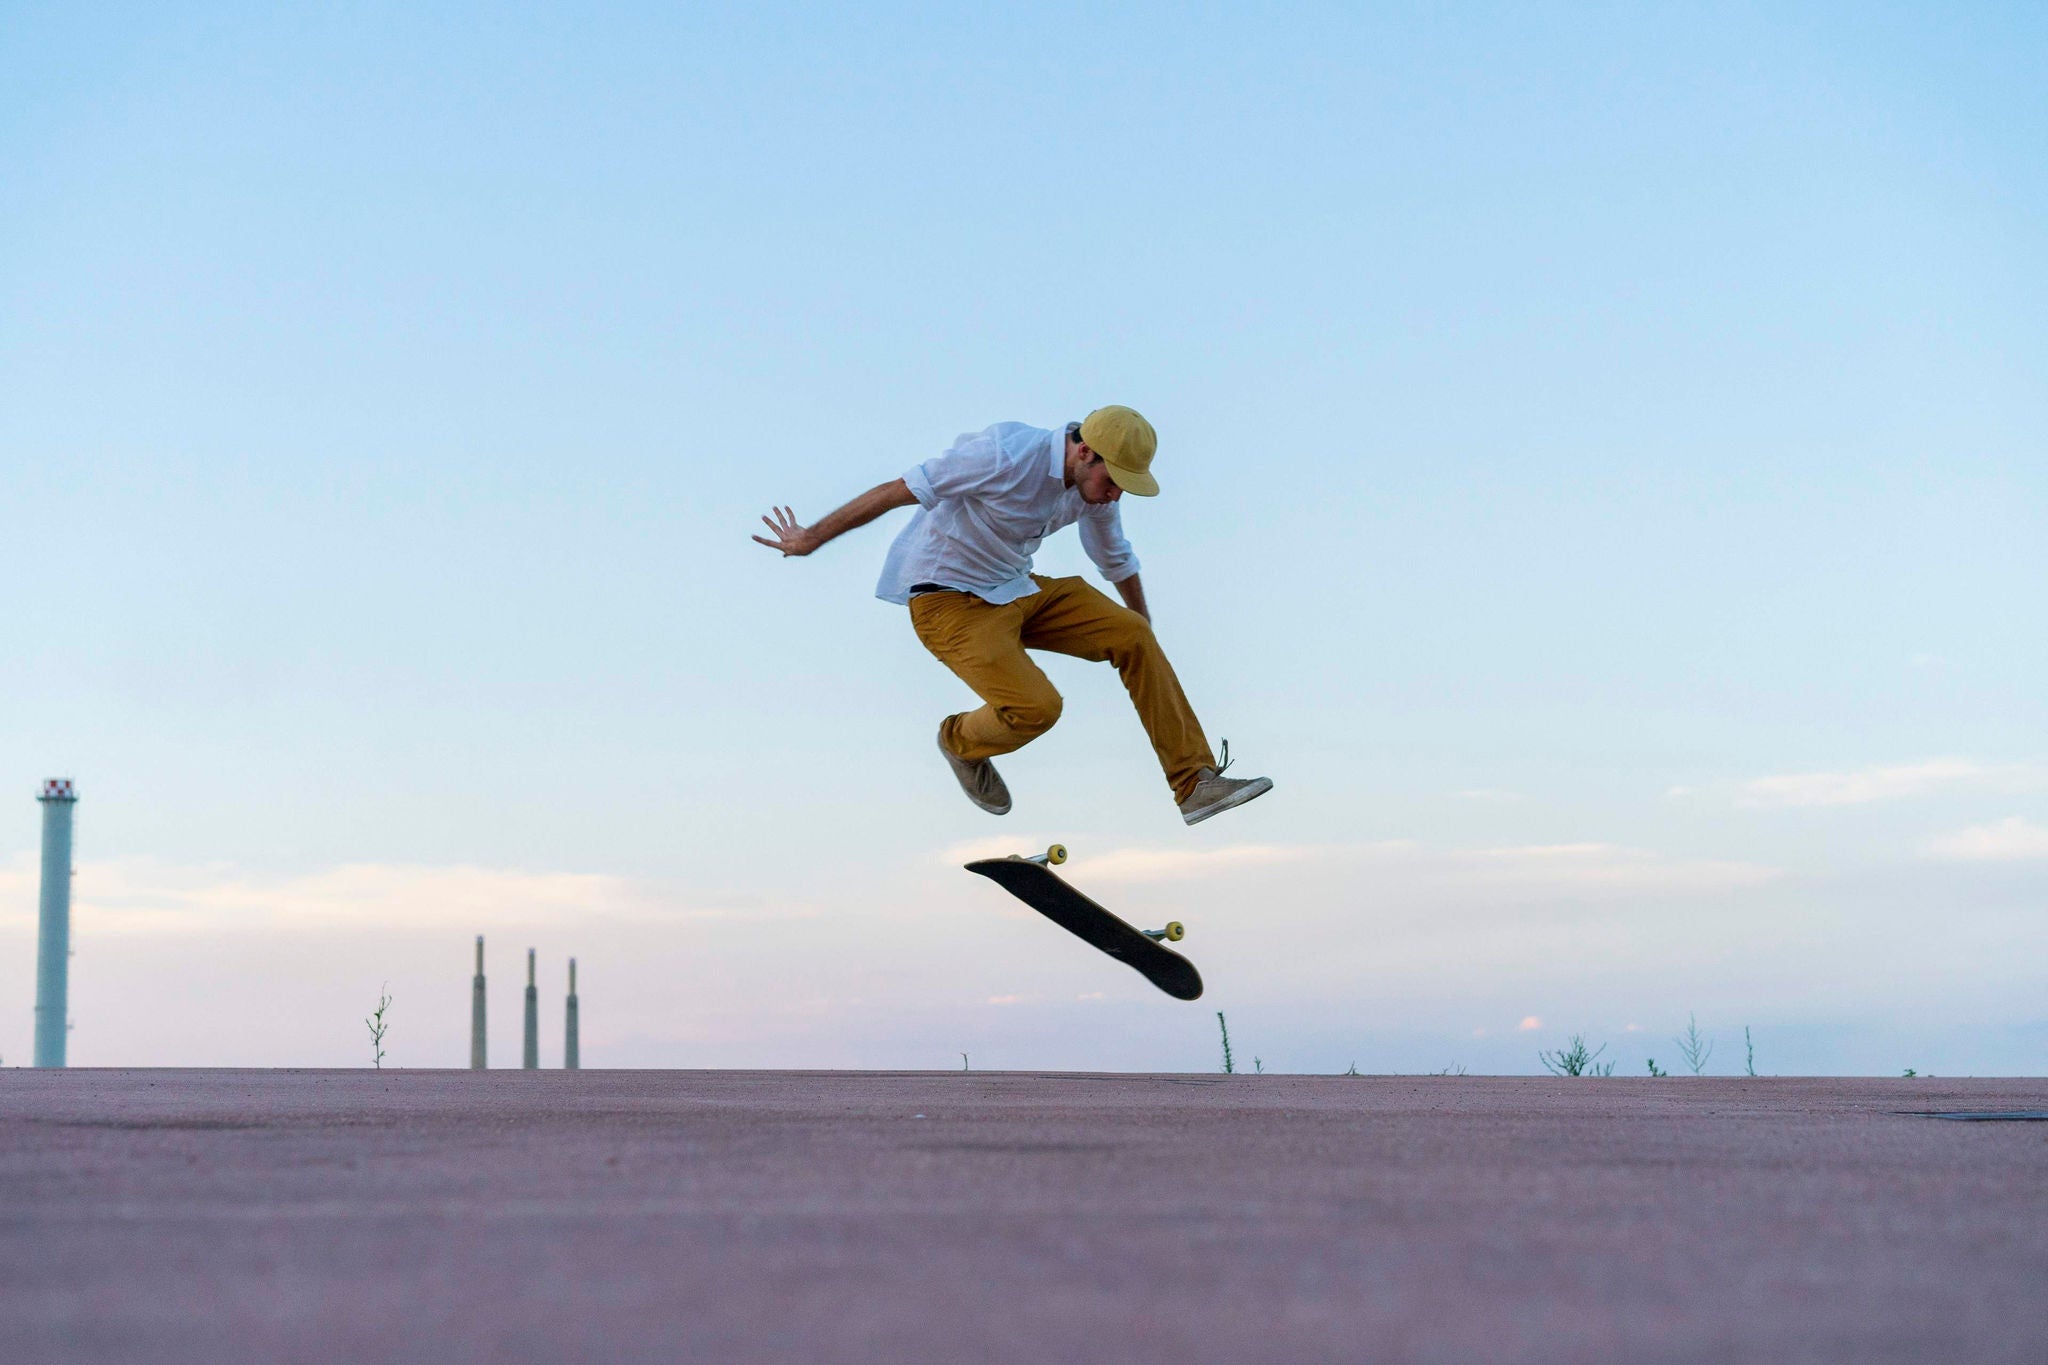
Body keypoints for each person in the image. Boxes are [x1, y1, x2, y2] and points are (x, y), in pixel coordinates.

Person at [751, 406, 1272, 826]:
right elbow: (896, 490)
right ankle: (960, 742)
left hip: (1016, 589)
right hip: (946, 601)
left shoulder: (1096, 491)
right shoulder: (1003, 454)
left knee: (1133, 634)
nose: (1114, 495)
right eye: (1112, 481)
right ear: (1084, 451)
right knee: (1038, 707)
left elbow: (1115, 558)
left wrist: (1145, 632)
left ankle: (1194, 783)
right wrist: (810, 538)